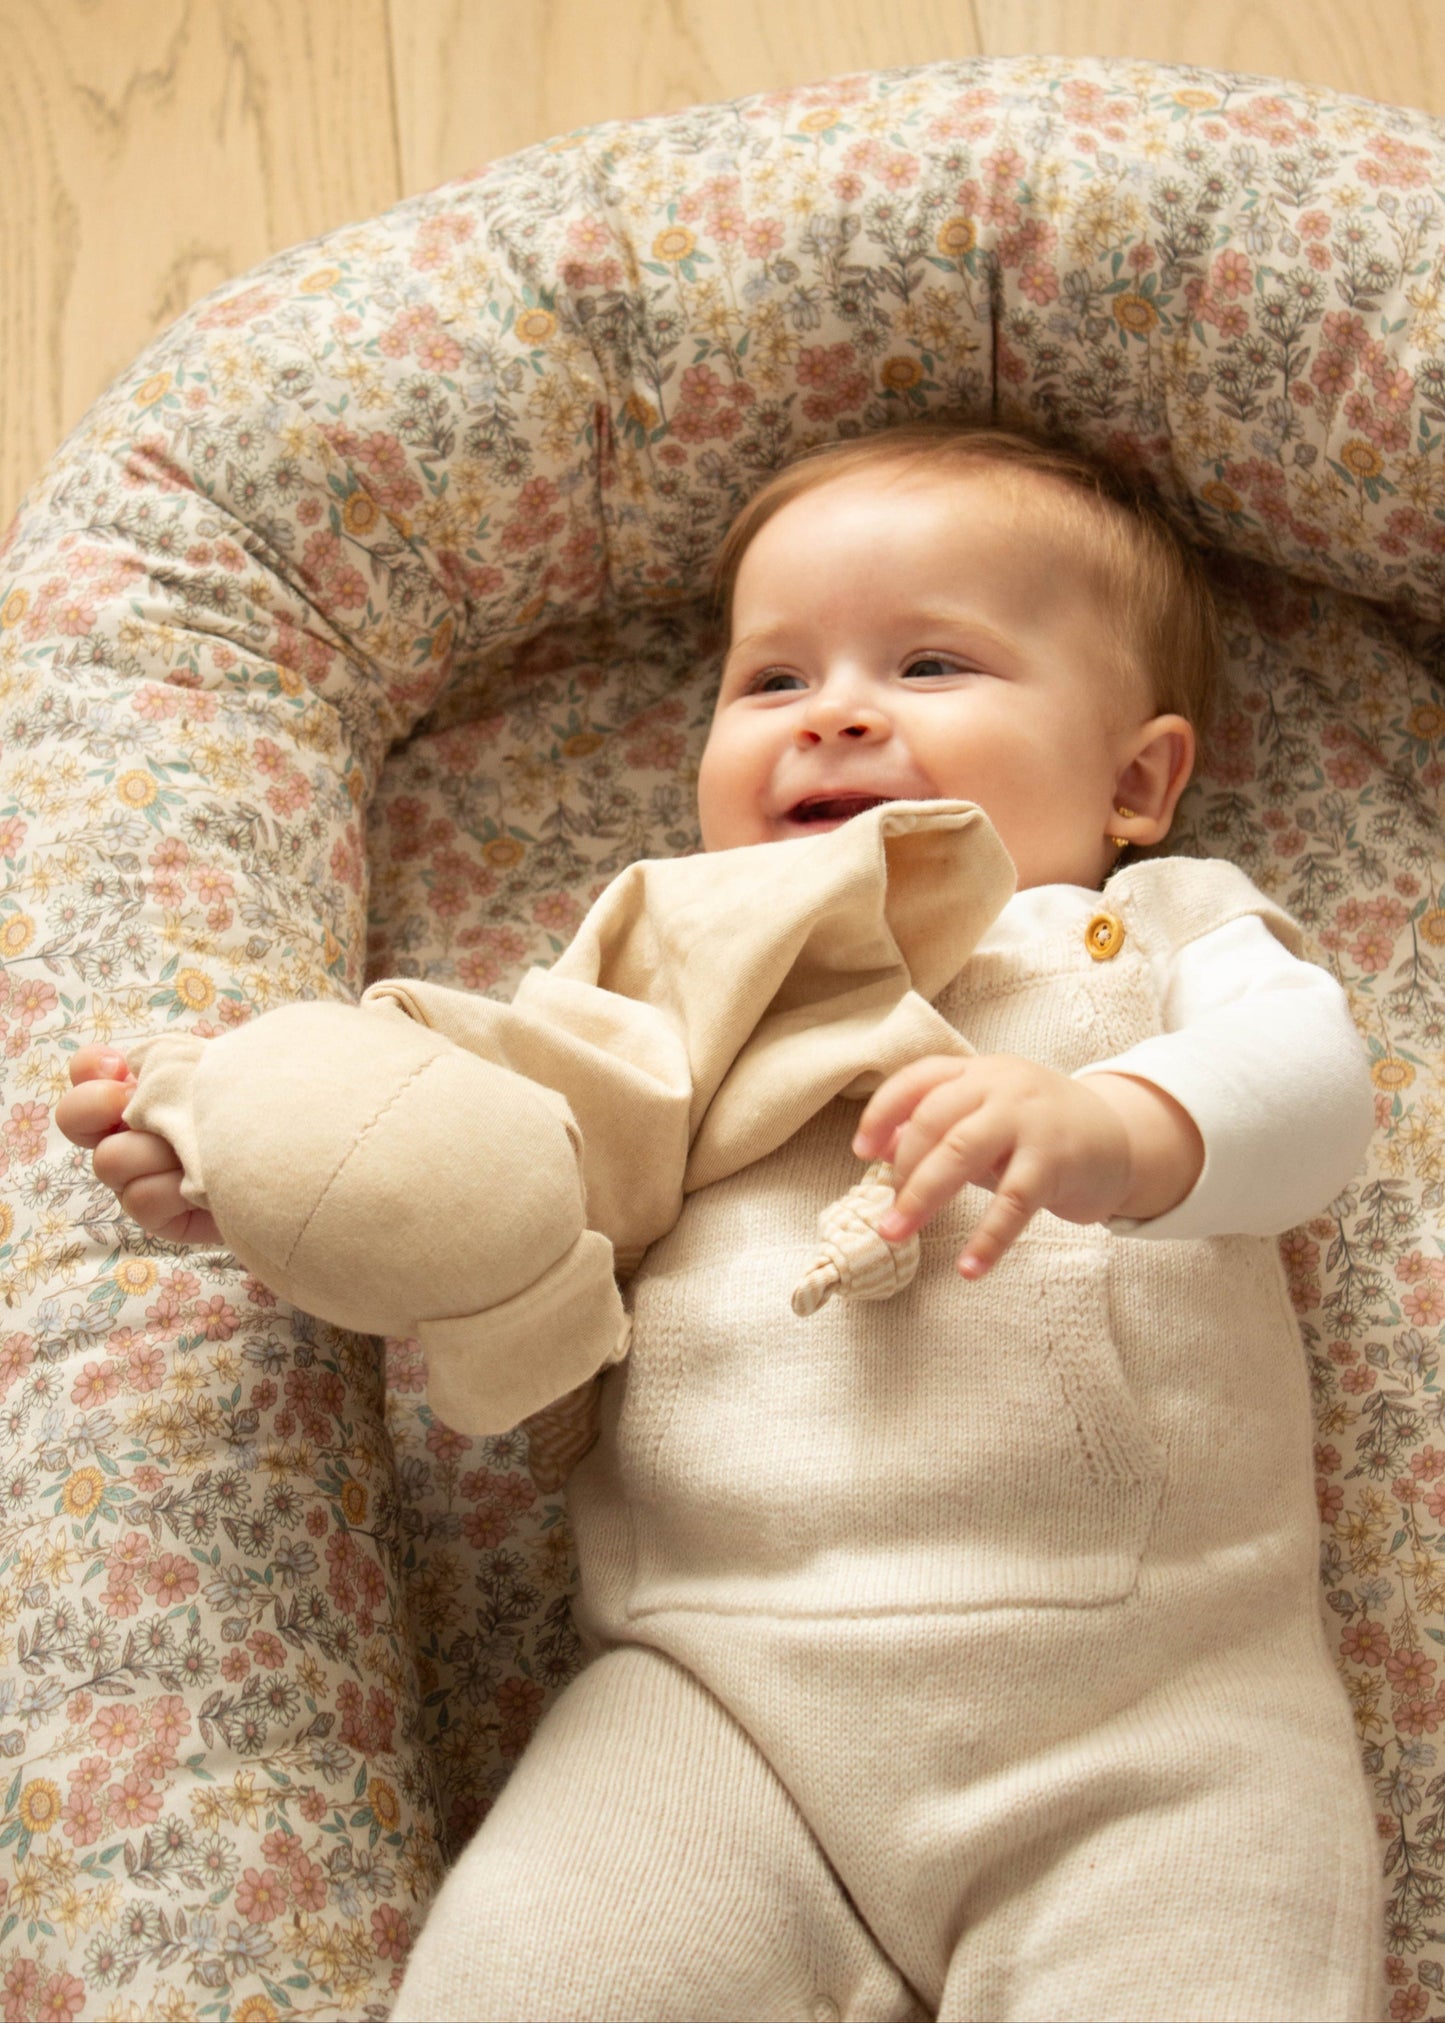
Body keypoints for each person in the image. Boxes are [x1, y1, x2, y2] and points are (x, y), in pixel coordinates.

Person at [58, 423, 1385, 2022]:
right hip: (716, 1699)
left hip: (1154, 1715)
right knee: (537, 1980)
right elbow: (487, 1184)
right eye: (771, 680)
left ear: (1133, 781)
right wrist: (260, 1170)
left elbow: (1313, 1094)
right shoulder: (670, 975)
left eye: (930, 664)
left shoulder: (1154, 930)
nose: (834, 711)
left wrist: (1121, 1125)